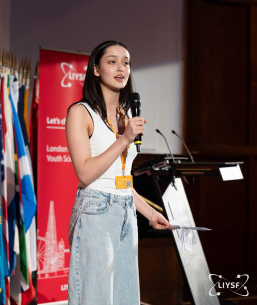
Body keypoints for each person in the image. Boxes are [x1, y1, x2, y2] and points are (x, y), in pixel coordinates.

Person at [66, 40, 172, 305]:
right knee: (95, 298)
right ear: (96, 70)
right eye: (112, 61)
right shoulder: (80, 113)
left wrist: (150, 213)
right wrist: (124, 140)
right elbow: (85, 174)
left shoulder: (126, 115)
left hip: (125, 211)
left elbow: (122, 180)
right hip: (95, 211)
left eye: (126, 62)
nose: (121, 67)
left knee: (126, 297)